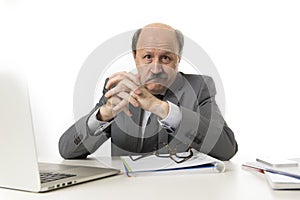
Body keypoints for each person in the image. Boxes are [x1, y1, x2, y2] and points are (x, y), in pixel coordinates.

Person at [59, 23, 238, 161]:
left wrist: (160, 107)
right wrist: (104, 114)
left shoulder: (199, 87)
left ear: (178, 60)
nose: (155, 68)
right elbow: (67, 151)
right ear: (135, 58)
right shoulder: (118, 88)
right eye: (147, 57)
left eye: (166, 58)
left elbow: (226, 149)